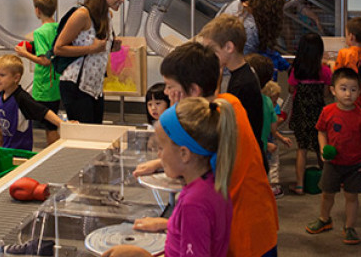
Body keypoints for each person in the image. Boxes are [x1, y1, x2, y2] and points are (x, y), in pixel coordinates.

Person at [134, 42, 279, 257]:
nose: (166, 92)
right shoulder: (226, 105)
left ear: (193, 90)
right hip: (252, 223)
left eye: (170, 86)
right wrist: (173, 224)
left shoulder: (220, 120)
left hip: (244, 237)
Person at [102, 96, 237, 257]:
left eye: (161, 148)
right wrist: (170, 224)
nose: (158, 155)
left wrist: (142, 255)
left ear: (184, 153)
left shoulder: (194, 204)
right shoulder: (213, 182)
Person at [305, 67, 361, 245]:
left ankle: (350, 227)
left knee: (352, 196)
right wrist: (323, 149)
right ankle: (324, 219)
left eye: (353, 90)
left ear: (359, 92)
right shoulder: (327, 111)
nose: (348, 94)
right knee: (327, 194)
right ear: (333, 90)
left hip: (355, 164)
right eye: (343, 89)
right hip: (333, 163)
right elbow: (321, 132)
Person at [54, 0, 128, 124]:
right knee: (83, 137)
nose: (122, 0)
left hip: (95, 86)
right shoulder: (82, 15)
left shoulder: (107, 16)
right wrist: (92, 49)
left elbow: (97, 48)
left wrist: (110, 46)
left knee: (95, 133)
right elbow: (58, 48)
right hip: (75, 85)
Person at [199, 15, 264, 155]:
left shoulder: (242, 83)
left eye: (212, 50)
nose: (209, 56)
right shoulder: (241, 74)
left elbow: (225, 124)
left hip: (246, 157)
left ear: (229, 47)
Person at [0, 54, 63, 151]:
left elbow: (44, 112)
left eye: (2, 75)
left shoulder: (22, 98)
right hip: (6, 149)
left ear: (16, 78)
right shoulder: (0, 96)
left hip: (20, 151)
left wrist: (62, 124)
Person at [288, 32, 331, 194]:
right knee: (321, 145)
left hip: (301, 114)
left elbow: (291, 88)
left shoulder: (296, 71)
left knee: (302, 148)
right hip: (318, 113)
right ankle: (327, 182)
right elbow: (326, 94)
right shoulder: (325, 71)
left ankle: (299, 184)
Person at [15, 0, 60, 145]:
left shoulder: (40, 33)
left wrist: (24, 53)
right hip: (57, 83)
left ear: (37, 10)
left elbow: (45, 61)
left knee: (49, 125)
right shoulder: (58, 28)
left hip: (44, 86)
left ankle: (53, 154)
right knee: (51, 123)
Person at [246, 53, 293, 197]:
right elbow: (273, 127)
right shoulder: (267, 102)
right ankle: (270, 188)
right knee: (270, 166)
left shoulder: (248, 99)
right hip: (264, 142)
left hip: (252, 144)